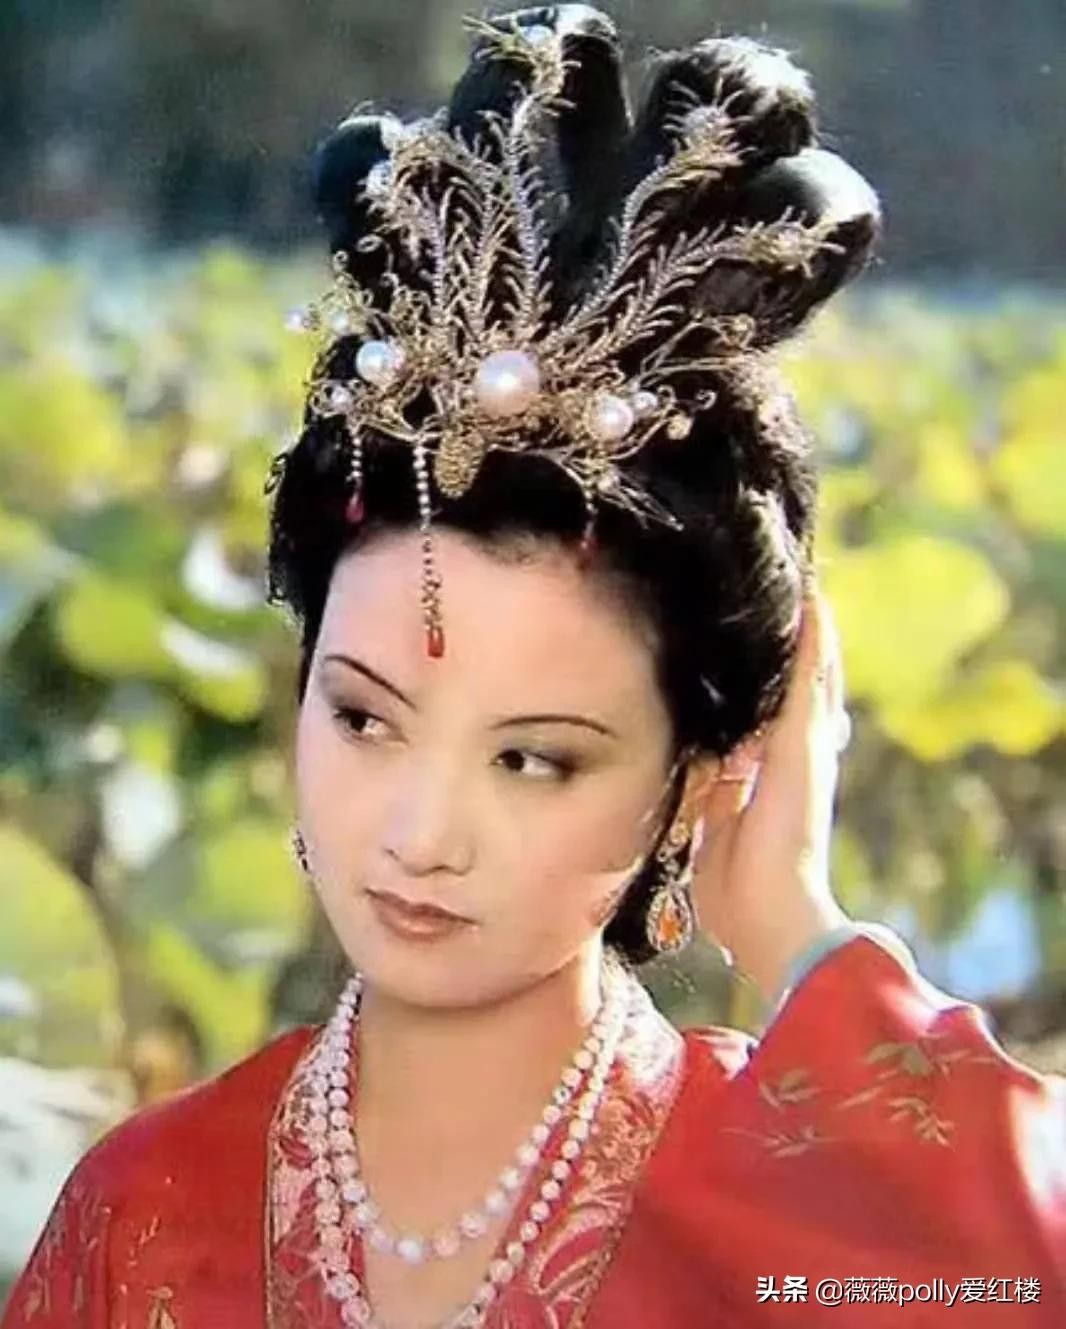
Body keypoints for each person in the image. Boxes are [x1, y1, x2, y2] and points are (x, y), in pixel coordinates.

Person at [3, 7, 1063, 1328]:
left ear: (700, 773)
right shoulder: (146, 1208)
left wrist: (794, 925)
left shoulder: (809, 1223)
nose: (420, 832)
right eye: (364, 717)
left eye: (531, 757)